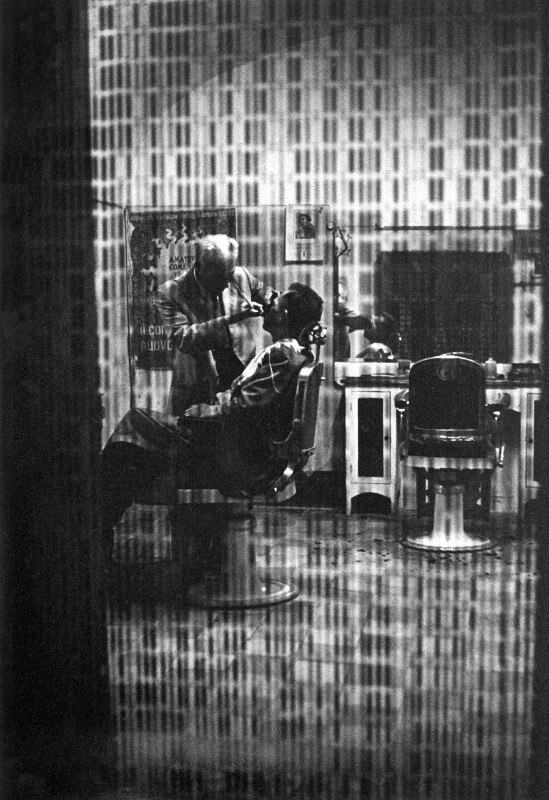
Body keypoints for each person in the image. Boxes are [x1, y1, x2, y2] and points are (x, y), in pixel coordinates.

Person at [101, 283, 324, 552]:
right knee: (138, 451)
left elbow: (244, 406)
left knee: (133, 425)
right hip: (250, 449)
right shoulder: (295, 353)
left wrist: (205, 411)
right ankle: (201, 553)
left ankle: (97, 529)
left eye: (276, 301)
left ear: (284, 315)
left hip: (245, 457)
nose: (269, 303)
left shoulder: (282, 356)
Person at [154, 234, 278, 415]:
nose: (227, 283)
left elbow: (271, 298)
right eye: (220, 277)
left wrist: (277, 301)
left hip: (240, 378)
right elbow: (183, 338)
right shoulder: (170, 292)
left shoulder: (240, 275)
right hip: (197, 387)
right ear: (199, 267)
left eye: (229, 274)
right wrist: (231, 318)